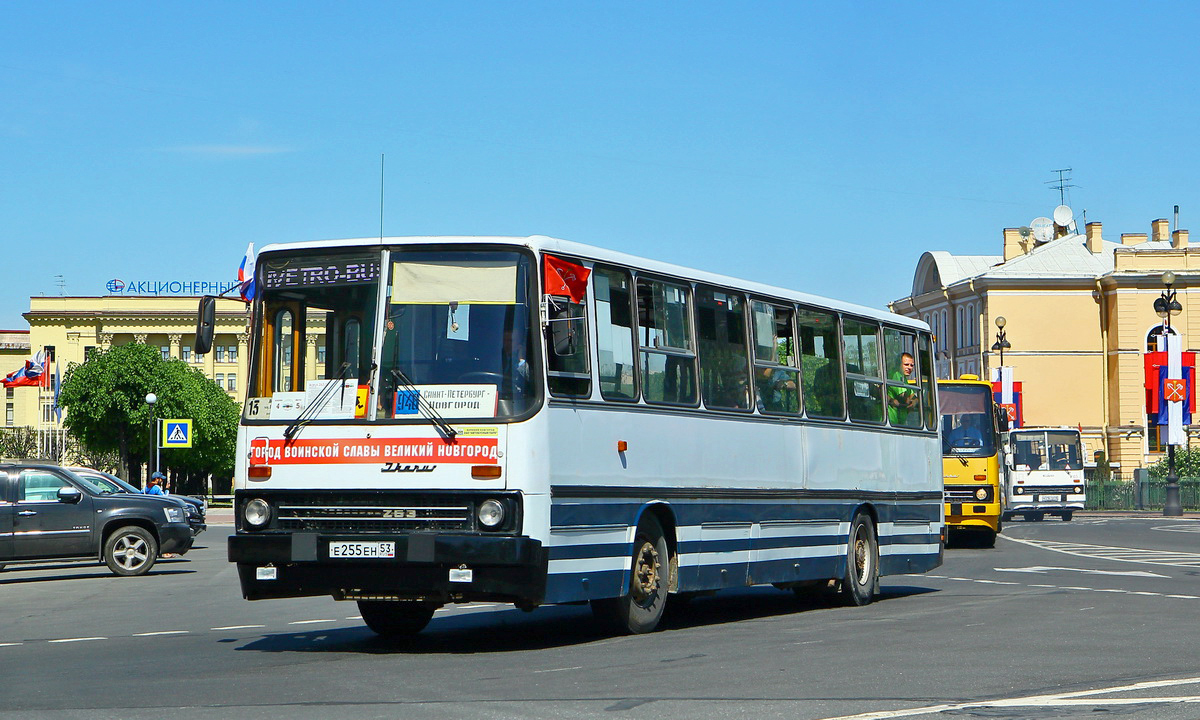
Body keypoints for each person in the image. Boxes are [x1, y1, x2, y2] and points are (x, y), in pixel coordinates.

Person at [887, 352, 918, 425]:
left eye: (911, 365)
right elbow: (903, 396)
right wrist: (909, 399)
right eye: (906, 364)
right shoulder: (896, 374)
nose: (909, 367)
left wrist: (915, 401)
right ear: (899, 364)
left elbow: (913, 396)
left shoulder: (904, 379)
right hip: (891, 419)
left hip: (899, 420)